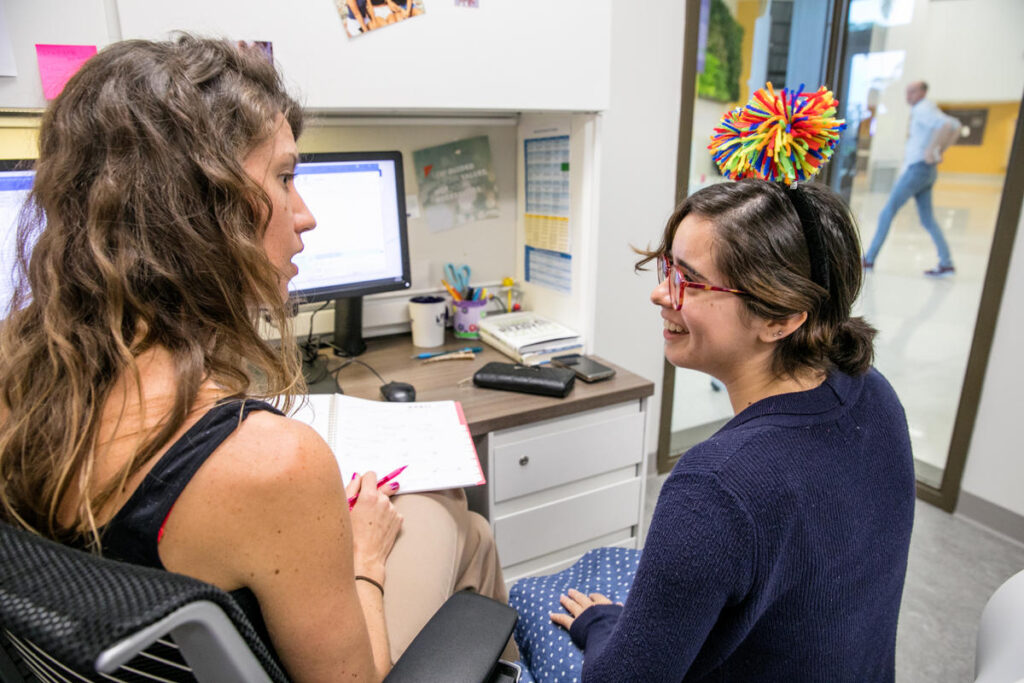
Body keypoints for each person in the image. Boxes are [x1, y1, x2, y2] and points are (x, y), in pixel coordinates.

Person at [0, 36, 510, 682]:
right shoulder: (272, 462)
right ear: (199, 202)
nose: (306, 217)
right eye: (285, 177)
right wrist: (365, 561)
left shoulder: (18, 371)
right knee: (445, 504)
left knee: (475, 540)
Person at [546, 179, 916, 681]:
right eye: (667, 268)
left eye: (690, 282)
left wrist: (603, 623)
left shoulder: (717, 488)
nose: (660, 293)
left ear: (781, 317)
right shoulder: (872, 392)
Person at [863, 80, 960, 276]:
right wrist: (937, 151)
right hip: (927, 171)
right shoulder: (930, 108)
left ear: (923, 92)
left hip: (918, 169)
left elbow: (949, 125)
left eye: (912, 91)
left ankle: (869, 258)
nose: (908, 96)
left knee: (887, 211)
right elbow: (955, 126)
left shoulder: (923, 109)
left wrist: (931, 150)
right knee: (927, 219)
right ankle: (946, 263)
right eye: (907, 92)